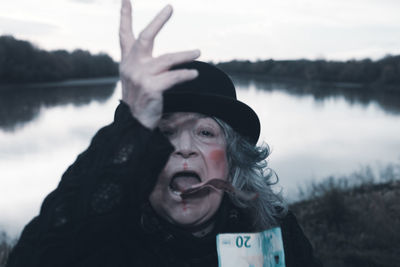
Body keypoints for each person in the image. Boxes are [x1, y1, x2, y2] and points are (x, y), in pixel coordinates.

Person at [7, 1, 322, 266]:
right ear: (138, 161)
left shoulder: (269, 234)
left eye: (205, 132)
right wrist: (133, 125)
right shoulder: (109, 243)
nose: (184, 147)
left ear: (232, 159)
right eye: (166, 133)